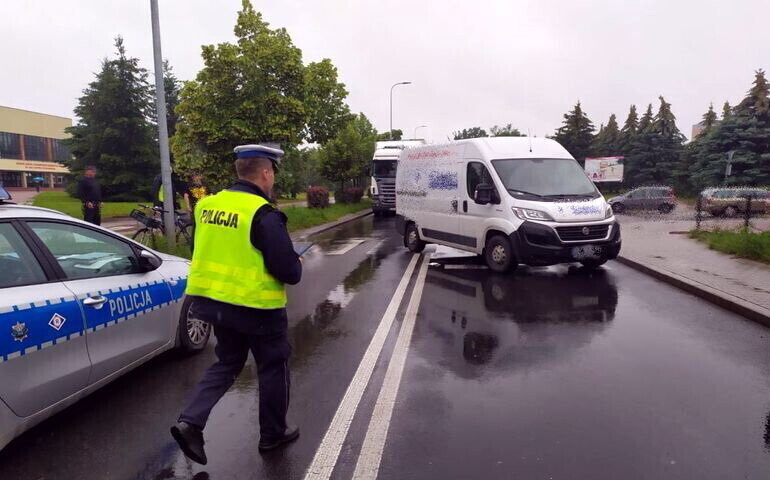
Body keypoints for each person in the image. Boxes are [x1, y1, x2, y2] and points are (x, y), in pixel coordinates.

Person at [170, 144, 302, 465]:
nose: (272, 181)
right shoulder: (263, 213)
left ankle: (191, 423)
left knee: (227, 363)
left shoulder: (207, 206)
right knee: (272, 366)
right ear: (266, 173)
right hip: (257, 308)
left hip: (215, 303)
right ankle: (272, 434)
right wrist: (294, 257)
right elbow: (290, 272)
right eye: (273, 174)